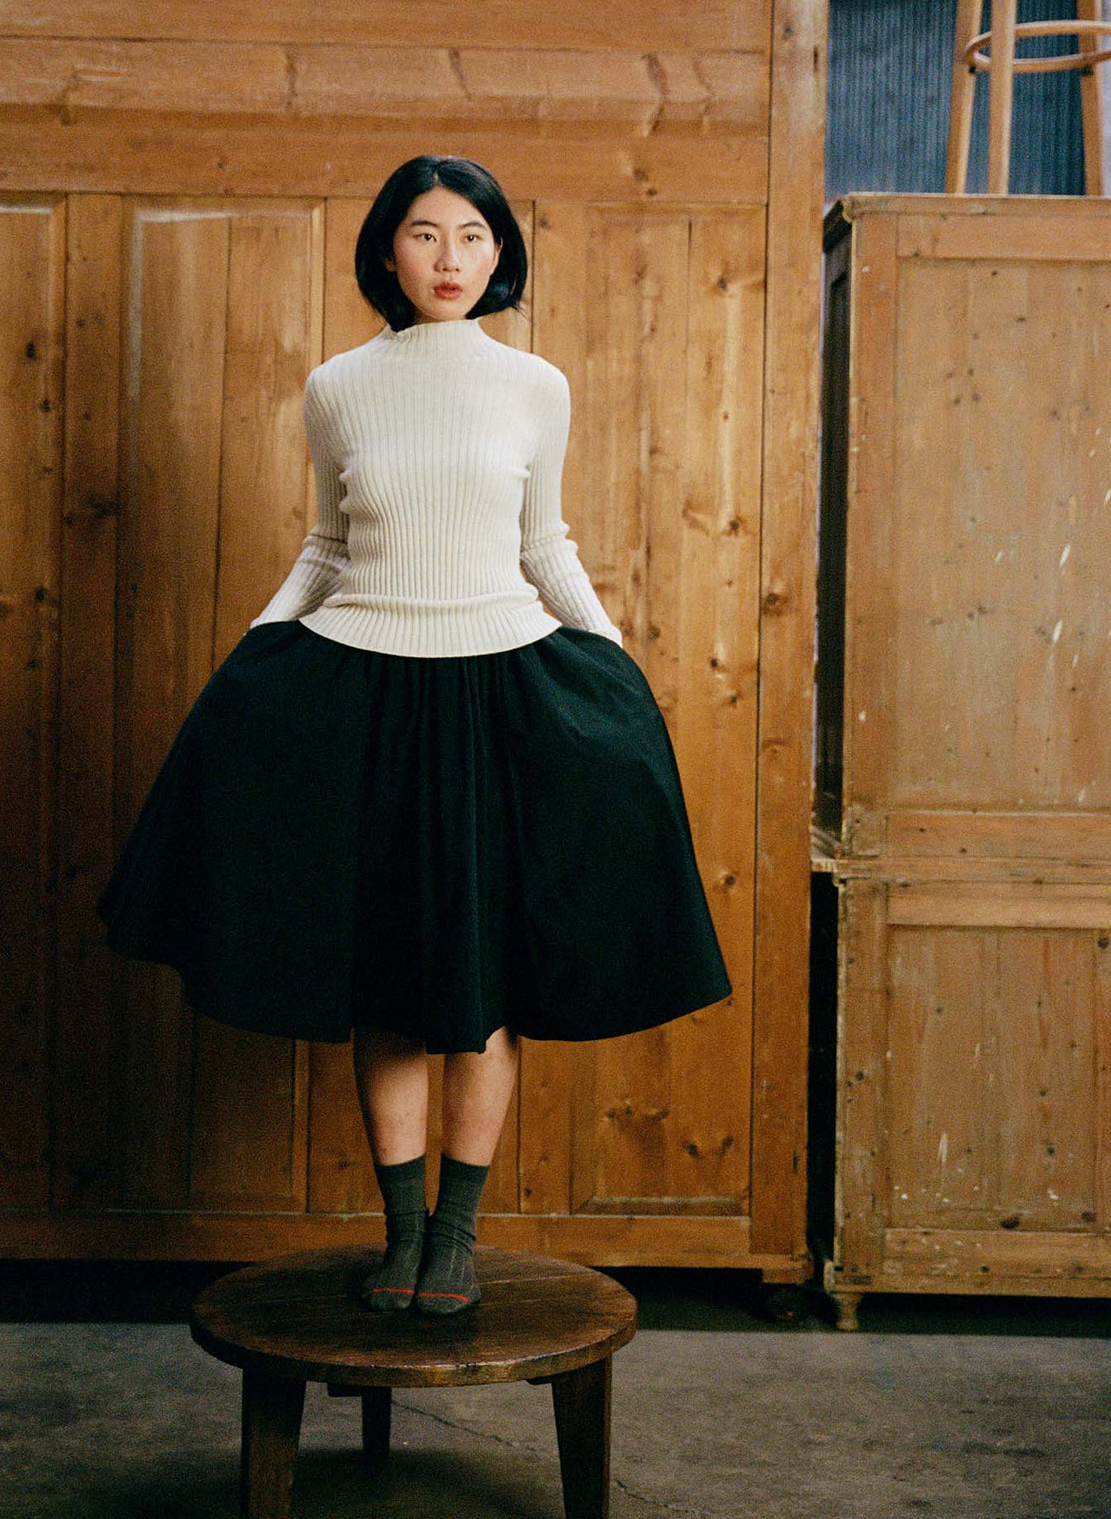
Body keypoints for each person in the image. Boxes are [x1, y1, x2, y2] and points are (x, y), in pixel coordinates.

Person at [96, 153, 732, 1318]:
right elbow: (329, 545)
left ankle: (456, 1238)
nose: (452, 258)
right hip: (362, 694)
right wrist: (255, 652)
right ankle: (399, 1237)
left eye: (475, 236)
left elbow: (544, 544)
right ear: (387, 251)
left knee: (480, 988)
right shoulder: (336, 386)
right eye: (427, 234)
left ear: (500, 256)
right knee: (388, 982)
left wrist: (613, 662)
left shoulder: (536, 385)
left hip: (501, 692)